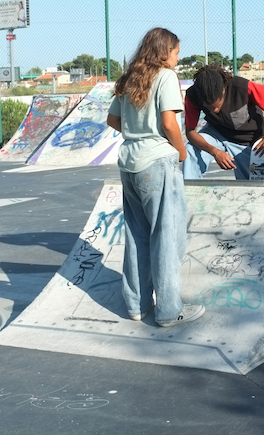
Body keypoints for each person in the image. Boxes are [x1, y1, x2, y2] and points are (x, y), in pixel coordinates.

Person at [106, 27, 205, 327]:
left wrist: (136, 135)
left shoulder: (130, 78)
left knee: (136, 235)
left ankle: (136, 305)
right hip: (158, 164)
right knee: (167, 237)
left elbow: (112, 119)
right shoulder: (165, 77)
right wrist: (181, 152)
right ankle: (167, 310)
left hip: (129, 164)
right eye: (176, 51)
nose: (178, 56)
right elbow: (170, 123)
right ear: (164, 52)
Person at [182, 65, 264, 180]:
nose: (215, 111)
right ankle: (191, 193)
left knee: (254, 190)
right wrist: (215, 152)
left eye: (217, 106)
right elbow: (190, 133)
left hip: (247, 140)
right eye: (210, 108)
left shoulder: (242, 87)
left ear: (223, 89)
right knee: (191, 149)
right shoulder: (193, 95)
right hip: (216, 133)